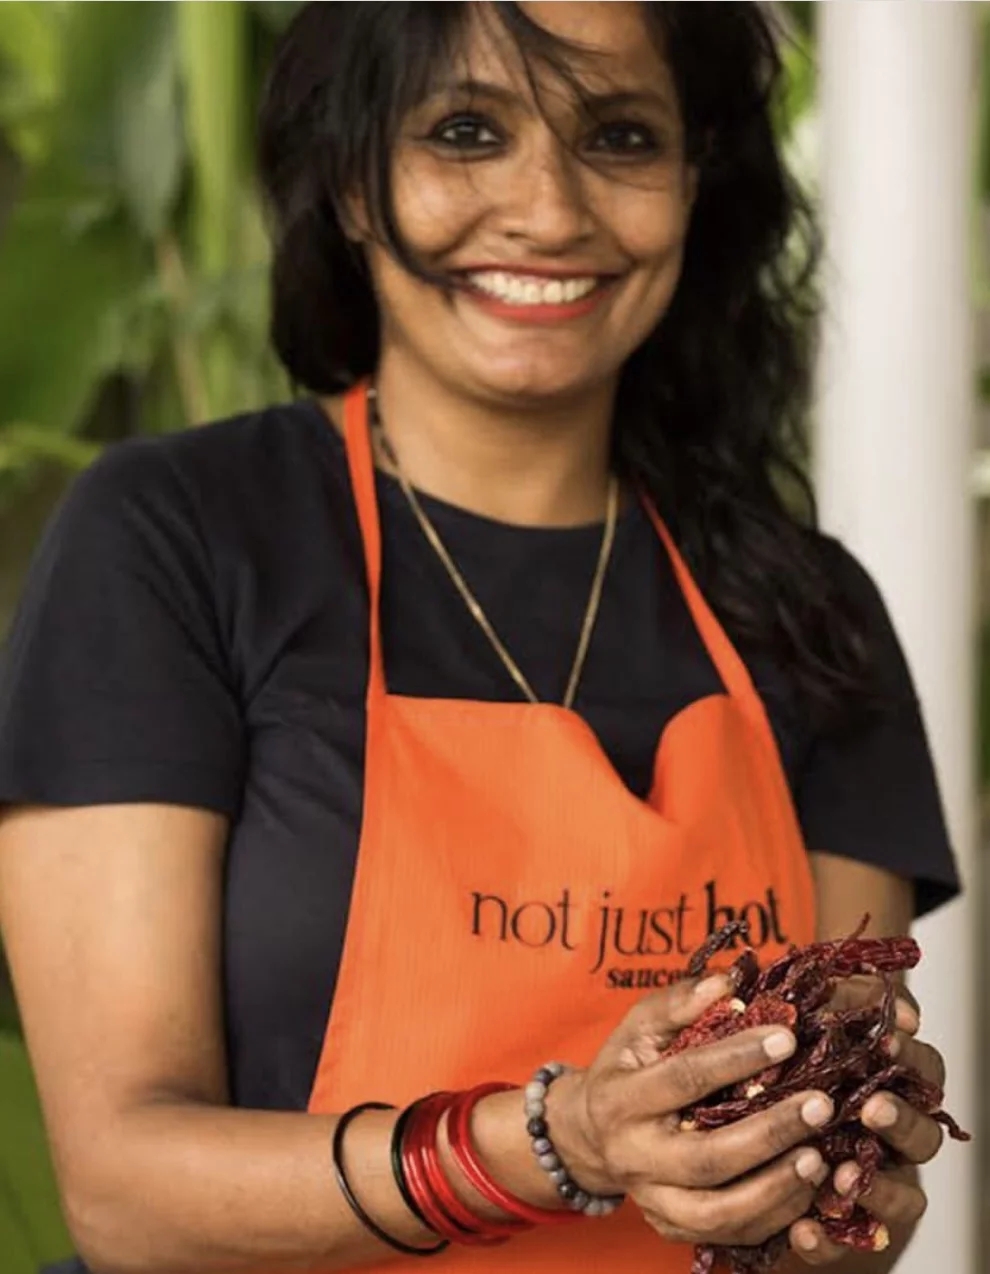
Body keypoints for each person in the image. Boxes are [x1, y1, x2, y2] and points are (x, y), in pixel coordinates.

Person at [0, 3, 961, 1273]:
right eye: (465, 131)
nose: (549, 210)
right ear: (354, 180)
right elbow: (124, 1191)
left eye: (620, 136)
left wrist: (839, 1197)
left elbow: (829, 1200)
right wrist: (561, 1138)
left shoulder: (809, 610)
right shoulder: (178, 537)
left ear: (694, 182)